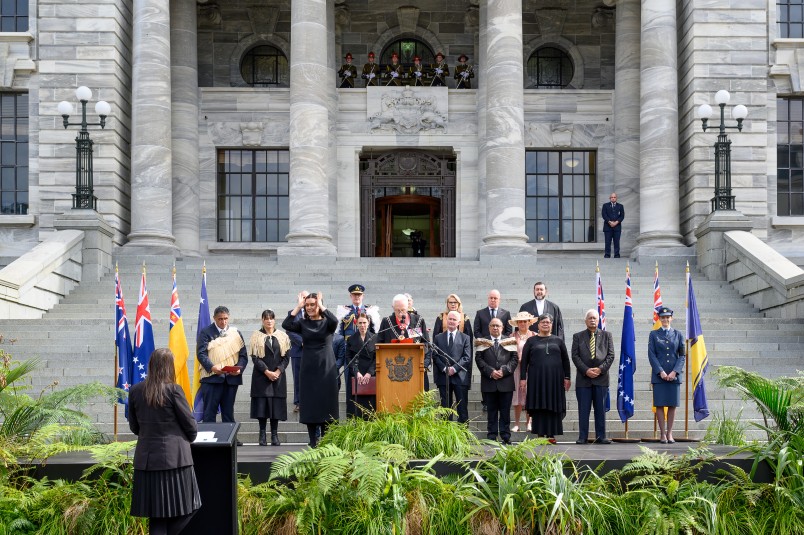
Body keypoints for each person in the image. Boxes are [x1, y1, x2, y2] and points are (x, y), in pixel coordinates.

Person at [129, 348, 201, 535]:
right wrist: (189, 437)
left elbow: (135, 427)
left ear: (152, 366)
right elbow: (190, 426)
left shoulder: (136, 391)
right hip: (175, 461)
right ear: (169, 367)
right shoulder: (174, 390)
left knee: (157, 517)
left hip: (147, 461)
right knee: (191, 507)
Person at [282, 292, 339, 447]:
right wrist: (298, 306)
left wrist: (320, 304)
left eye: (312, 304)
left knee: (326, 403)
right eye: (307, 305)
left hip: (326, 367)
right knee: (310, 404)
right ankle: (312, 440)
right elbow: (286, 325)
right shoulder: (303, 323)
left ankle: (326, 440)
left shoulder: (328, 323)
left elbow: (335, 320)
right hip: (308, 368)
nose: (309, 308)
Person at [519, 313, 571, 443]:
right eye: (543, 322)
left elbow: (566, 360)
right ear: (538, 325)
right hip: (537, 380)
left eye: (548, 322)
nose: (545, 324)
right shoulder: (531, 341)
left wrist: (567, 377)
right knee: (539, 404)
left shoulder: (558, 340)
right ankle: (540, 435)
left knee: (553, 404)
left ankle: (551, 435)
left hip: (555, 380)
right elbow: (524, 361)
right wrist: (523, 379)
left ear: (552, 325)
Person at [196, 306, 248, 426]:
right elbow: (201, 354)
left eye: (225, 318)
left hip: (231, 379)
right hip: (211, 379)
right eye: (220, 319)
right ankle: (209, 439)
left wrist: (239, 369)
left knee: (228, 412)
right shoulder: (206, 332)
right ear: (214, 318)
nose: (223, 322)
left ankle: (230, 440)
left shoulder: (235, 333)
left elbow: (243, 356)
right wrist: (212, 367)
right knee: (209, 412)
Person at [571, 309, 615, 444]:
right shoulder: (577, 336)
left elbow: (611, 355)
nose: (592, 320)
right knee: (583, 410)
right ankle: (582, 437)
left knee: (600, 410)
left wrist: (600, 369)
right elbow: (575, 356)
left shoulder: (607, 335)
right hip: (584, 379)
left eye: (594, 318)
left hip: (601, 379)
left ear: (598, 320)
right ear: (585, 321)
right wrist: (586, 370)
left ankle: (601, 436)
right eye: (590, 318)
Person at [336, 284, 379, 417]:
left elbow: (375, 332)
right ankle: (352, 415)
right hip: (351, 352)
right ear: (350, 296)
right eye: (354, 295)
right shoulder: (344, 311)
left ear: (363, 296)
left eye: (359, 295)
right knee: (351, 386)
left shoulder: (370, 311)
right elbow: (339, 333)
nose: (357, 297)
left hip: (368, 353)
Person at [248, 309, 290, 446]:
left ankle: (274, 435)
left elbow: (286, 358)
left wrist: (278, 371)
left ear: (275, 320)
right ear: (262, 320)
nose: (269, 321)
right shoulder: (256, 336)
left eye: (271, 318)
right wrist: (266, 371)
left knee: (275, 407)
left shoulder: (282, 336)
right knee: (262, 407)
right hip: (262, 377)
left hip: (278, 377)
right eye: (266, 318)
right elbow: (255, 358)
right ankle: (262, 435)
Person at [475, 318, 518, 444]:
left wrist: (504, 371)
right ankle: (492, 435)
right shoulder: (482, 341)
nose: (495, 328)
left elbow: (514, 359)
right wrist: (490, 371)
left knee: (505, 411)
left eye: (497, 326)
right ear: (489, 327)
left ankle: (505, 435)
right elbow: (479, 359)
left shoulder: (509, 340)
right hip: (489, 382)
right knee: (491, 411)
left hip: (506, 382)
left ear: (502, 327)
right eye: (493, 325)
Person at [376, 294, 431, 389]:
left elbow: (426, 343)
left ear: (408, 307)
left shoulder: (419, 320)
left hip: (415, 367)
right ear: (392, 308)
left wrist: (423, 362)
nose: (401, 313)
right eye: (397, 310)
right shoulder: (387, 322)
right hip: (392, 370)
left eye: (403, 310)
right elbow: (379, 344)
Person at [648, 306, 685, 444]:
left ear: (671, 318)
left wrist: (675, 371)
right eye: (663, 317)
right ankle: (662, 434)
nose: (665, 319)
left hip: (674, 375)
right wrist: (661, 372)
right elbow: (651, 355)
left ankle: (670, 433)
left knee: (672, 405)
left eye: (667, 317)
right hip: (659, 376)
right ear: (659, 318)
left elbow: (682, 356)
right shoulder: (654, 334)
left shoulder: (678, 334)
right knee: (659, 404)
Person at [473, 289, 512, 412]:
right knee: (486, 374)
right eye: (491, 298)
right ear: (488, 299)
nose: (493, 300)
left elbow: (508, 330)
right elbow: (477, 330)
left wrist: (501, 341)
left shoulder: (505, 313)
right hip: (485, 348)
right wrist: (485, 341)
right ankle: (486, 401)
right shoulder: (480, 313)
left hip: (502, 348)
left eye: (495, 298)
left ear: (499, 300)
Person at [433, 311, 472, 423]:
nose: (451, 321)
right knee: (445, 409)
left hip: (460, 377)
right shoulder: (438, 338)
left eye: (454, 319)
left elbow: (467, 357)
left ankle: (463, 435)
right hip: (443, 377)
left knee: (462, 408)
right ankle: (446, 435)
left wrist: (454, 368)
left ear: (459, 322)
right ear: (446, 320)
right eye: (450, 319)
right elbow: (435, 356)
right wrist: (445, 368)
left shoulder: (465, 338)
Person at [508, 311, 537, 433]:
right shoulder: (512, 336)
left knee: (529, 395)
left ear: (529, 322)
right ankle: (516, 423)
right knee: (517, 396)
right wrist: (517, 359)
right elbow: (508, 353)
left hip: (531, 369)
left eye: (525, 321)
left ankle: (529, 422)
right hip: (516, 369)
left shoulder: (535, 336)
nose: (522, 323)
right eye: (520, 321)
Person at [346, 313, 377, 417]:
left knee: (370, 406)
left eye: (364, 323)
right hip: (356, 375)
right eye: (360, 323)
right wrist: (356, 373)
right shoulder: (351, 339)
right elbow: (348, 358)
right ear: (356, 324)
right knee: (355, 407)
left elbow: (377, 358)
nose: (362, 325)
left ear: (368, 323)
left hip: (371, 375)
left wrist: (369, 373)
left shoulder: (375, 338)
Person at [286, 290, 307, 413]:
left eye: (307, 297)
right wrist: (303, 342)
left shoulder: (315, 313)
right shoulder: (292, 313)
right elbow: (289, 331)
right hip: (298, 351)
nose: (305, 300)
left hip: (312, 351)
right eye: (303, 297)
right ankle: (298, 402)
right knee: (298, 377)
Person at [602, 192, 625, 258]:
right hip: (607, 227)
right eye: (612, 197)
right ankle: (607, 255)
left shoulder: (620, 206)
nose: (613, 198)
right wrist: (610, 222)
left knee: (616, 242)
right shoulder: (605, 205)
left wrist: (616, 222)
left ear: (616, 198)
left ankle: (617, 255)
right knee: (607, 242)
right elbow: (604, 215)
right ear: (610, 198)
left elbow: (622, 216)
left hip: (617, 227)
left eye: (614, 197)